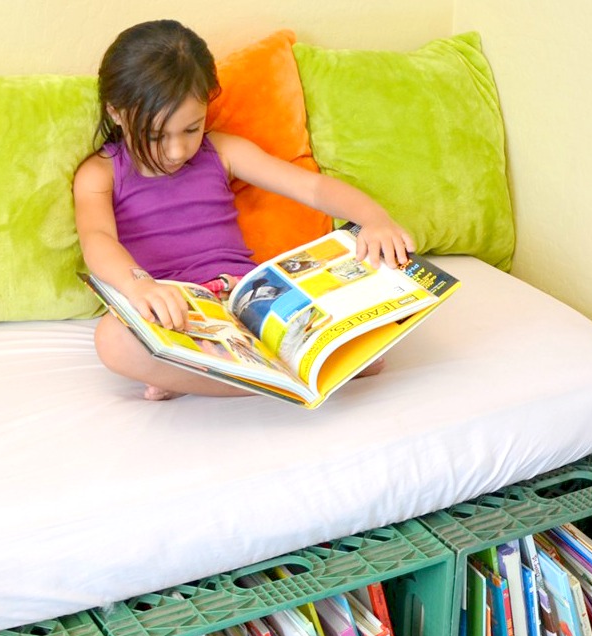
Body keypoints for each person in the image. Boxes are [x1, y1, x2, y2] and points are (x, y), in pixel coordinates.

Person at [74, 19, 414, 401]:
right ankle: (311, 374)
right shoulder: (100, 173)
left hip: (249, 301)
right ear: (116, 112)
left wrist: (375, 219)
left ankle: (201, 374)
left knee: (380, 277)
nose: (176, 151)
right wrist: (140, 285)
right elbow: (97, 239)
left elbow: (311, 188)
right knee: (113, 341)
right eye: (155, 135)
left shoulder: (221, 151)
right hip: (175, 311)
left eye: (191, 129)